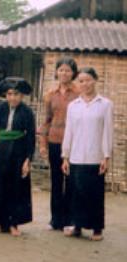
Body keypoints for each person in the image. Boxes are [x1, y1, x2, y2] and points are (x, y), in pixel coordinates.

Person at [62, 67, 113, 241]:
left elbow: (107, 132)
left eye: (88, 80)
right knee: (77, 193)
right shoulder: (73, 106)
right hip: (76, 156)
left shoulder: (105, 104)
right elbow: (69, 131)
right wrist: (65, 156)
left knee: (95, 194)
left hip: (95, 157)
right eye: (81, 81)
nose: (85, 84)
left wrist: (106, 156)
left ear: (95, 80)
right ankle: (77, 226)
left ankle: (97, 228)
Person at [0, 77, 35, 236]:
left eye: (16, 94)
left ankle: (13, 223)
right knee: (0, 185)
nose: (13, 98)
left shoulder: (27, 112)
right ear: (6, 95)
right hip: (2, 151)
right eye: (9, 94)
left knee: (16, 186)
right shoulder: (0, 109)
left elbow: (31, 136)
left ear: (22, 96)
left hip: (19, 150)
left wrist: (28, 159)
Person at [38, 57, 79, 231]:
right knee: (56, 180)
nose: (64, 73)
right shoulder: (50, 94)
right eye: (61, 69)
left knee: (71, 181)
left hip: (74, 143)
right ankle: (55, 220)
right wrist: (42, 143)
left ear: (73, 73)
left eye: (68, 70)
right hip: (54, 141)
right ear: (56, 72)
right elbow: (46, 120)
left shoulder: (78, 94)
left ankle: (69, 219)